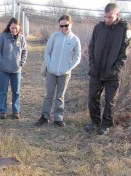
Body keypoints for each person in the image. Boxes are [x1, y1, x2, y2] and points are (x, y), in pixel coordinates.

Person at [84, 3, 131, 135]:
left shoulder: (124, 29)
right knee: (93, 97)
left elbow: (124, 52)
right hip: (96, 70)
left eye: (110, 17)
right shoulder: (98, 27)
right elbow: (91, 46)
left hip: (112, 72)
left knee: (110, 100)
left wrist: (116, 68)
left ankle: (106, 124)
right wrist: (92, 63)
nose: (107, 20)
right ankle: (95, 122)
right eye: (105, 17)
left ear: (117, 15)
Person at [35, 14, 81, 127]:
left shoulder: (75, 40)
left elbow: (77, 58)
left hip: (64, 74)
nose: (64, 28)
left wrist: (68, 68)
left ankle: (58, 118)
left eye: (66, 25)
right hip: (51, 71)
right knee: (48, 95)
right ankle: (44, 116)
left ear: (71, 23)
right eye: (61, 26)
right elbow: (47, 52)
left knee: (60, 96)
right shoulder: (55, 36)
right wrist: (50, 65)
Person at [0, 17, 27, 119]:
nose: (14, 30)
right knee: (3, 91)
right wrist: (2, 62)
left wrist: (21, 63)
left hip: (16, 70)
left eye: (16, 28)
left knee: (16, 91)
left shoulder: (21, 38)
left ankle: (15, 111)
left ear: (19, 28)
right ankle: (2, 111)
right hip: (4, 70)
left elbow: (25, 51)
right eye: (12, 28)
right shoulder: (3, 36)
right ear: (9, 27)